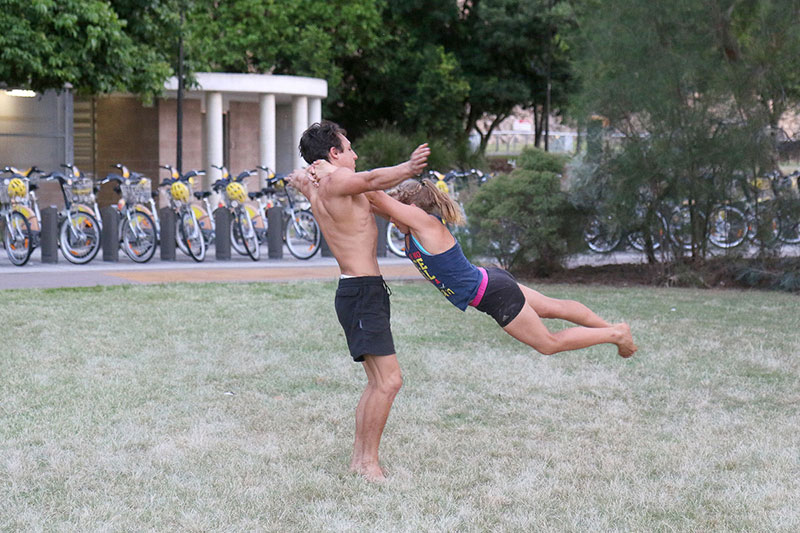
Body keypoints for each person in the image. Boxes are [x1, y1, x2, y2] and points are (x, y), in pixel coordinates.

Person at [318, 175, 638, 358]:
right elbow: (371, 200)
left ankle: (615, 333)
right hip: (492, 281)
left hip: (493, 294)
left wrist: (340, 169)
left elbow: (373, 193)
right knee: (554, 307)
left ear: (410, 208)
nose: (391, 217)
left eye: (396, 211)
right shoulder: (414, 227)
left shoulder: (423, 222)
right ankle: (613, 328)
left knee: (548, 344)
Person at [287, 120, 430, 482]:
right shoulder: (334, 181)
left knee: (378, 382)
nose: (355, 154)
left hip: (359, 291)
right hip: (362, 292)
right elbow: (368, 180)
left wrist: (306, 172)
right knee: (389, 381)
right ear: (334, 154)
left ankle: (361, 461)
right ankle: (367, 465)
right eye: (349, 149)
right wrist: (407, 169)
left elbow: (297, 177)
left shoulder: (317, 184)